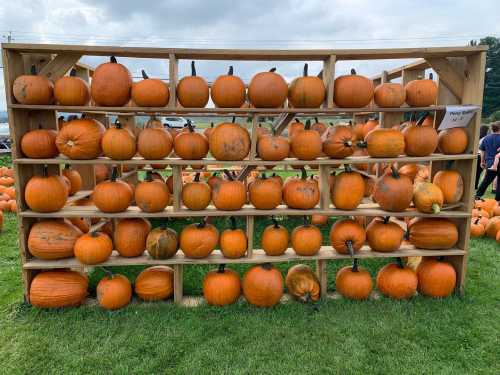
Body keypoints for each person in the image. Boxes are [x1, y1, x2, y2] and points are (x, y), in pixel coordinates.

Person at [476, 122, 500, 201]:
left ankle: (478, 195)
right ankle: (498, 200)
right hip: (498, 160)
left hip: (489, 162)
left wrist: (482, 162)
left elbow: (482, 151)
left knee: (486, 180)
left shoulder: (486, 138)